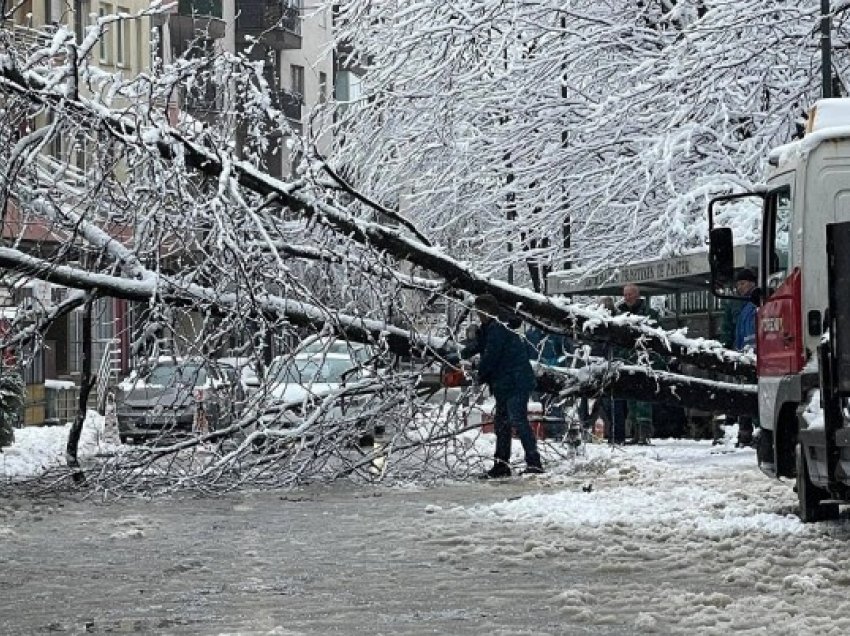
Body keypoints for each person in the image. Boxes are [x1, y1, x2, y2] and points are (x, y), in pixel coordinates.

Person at [461, 294, 544, 478]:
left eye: (478, 311)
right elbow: (480, 345)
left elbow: (491, 355)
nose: (477, 315)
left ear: (487, 311)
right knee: (502, 423)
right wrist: (461, 353)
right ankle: (501, 464)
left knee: (517, 420)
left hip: (514, 381)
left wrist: (478, 372)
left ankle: (534, 462)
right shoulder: (491, 327)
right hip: (505, 382)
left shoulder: (498, 328)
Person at [615, 283, 659, 445]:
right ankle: (634, 433)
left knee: (644, 398)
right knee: (630, 398)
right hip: (626, 360)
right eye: (625, 294)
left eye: (630, 294)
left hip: (644, 359)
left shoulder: (650, 314)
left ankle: (644, 434)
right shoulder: (620, 315)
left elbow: (655, 337)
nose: (627, 297)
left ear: (637, 295)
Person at [733, 268, 761, 447]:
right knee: (746, 394)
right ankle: (745, 433)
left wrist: (750, 354)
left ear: (752, 283)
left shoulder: (755, 307)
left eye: (742, 284)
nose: (739, 288)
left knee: (752, 395)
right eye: (738, 285)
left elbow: (752, 335)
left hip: (753, 359)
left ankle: (754, 431)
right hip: (745, 357)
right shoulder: (745, 307)